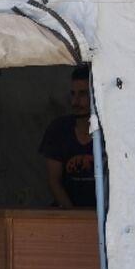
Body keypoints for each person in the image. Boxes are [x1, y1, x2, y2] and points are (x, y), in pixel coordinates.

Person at [38, 66, 95, 208]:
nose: (75, 101)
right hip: (67, 214)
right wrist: (73, 217)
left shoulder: (110, 132)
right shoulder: (58, 129)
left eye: (83, 94)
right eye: (73, 94)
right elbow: (54, 181)